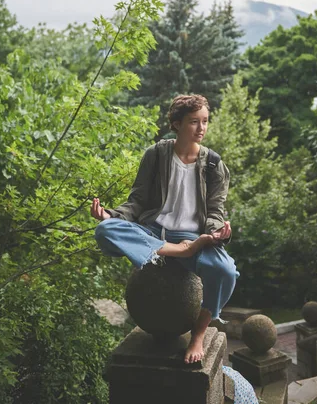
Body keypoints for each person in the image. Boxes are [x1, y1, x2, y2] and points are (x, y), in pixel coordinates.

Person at [91, 94, 238, 364]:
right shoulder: (156, 155)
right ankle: (173, 251)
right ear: (177, 123)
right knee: (104, 230)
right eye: (194, 122)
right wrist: (110, 215)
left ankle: (198, 336)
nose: (201, 128)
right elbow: (137, 201)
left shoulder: (214, 165)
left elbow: (215, 212)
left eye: (205, 121)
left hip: (194, 238)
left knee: (226, 271)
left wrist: (218, 233)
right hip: (152, 232)